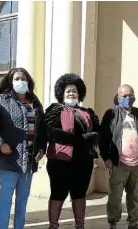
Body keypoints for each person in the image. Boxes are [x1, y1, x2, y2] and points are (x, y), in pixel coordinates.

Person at [0, 68, 47, 229]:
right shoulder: (1, 100)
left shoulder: (34, 102)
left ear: (28, 81)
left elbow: (43, 129)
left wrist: (41, 148)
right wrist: (0, 144)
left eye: (23, 78)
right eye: (17, 78)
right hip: (10, 159)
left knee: (22, 200)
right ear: (10, 82)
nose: (21, 81)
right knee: (5, 200)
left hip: (29, 161)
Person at [44, 73, 101, 229]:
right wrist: (83, 139)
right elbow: (53, 133)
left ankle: (80, 225)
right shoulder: (54, 110)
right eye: (68, 91)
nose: (71, 93)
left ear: (79, 93)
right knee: (58, 193)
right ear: (62, 93)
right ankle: (53, 225)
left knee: (79, 193)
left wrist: (89, 138)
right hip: (59, 160)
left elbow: (97, 133)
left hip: (83, 161)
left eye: (74, 91)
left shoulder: (88, 113)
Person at [99, 84, 138, 229]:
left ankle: (133, 223)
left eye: (130, 95)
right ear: (118, 97)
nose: (128, 98)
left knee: (134, 195)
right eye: (124, 96)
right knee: (115, 196)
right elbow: (103, 138)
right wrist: (107, 158)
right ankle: (113, 223)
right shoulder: (111, 114)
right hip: (118, 163)